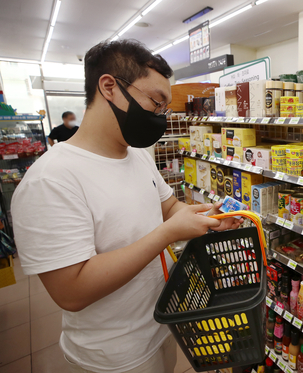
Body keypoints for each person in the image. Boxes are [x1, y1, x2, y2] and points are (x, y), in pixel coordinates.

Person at [11, 39, 241, 373]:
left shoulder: (137, 157)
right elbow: (71, 291)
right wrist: (167, 234)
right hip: (111, 356)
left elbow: (169, 208)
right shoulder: (50, 180)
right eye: (156, 102)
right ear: (109, 86)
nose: (160, 116)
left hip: (161, 327)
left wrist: (208, 218)